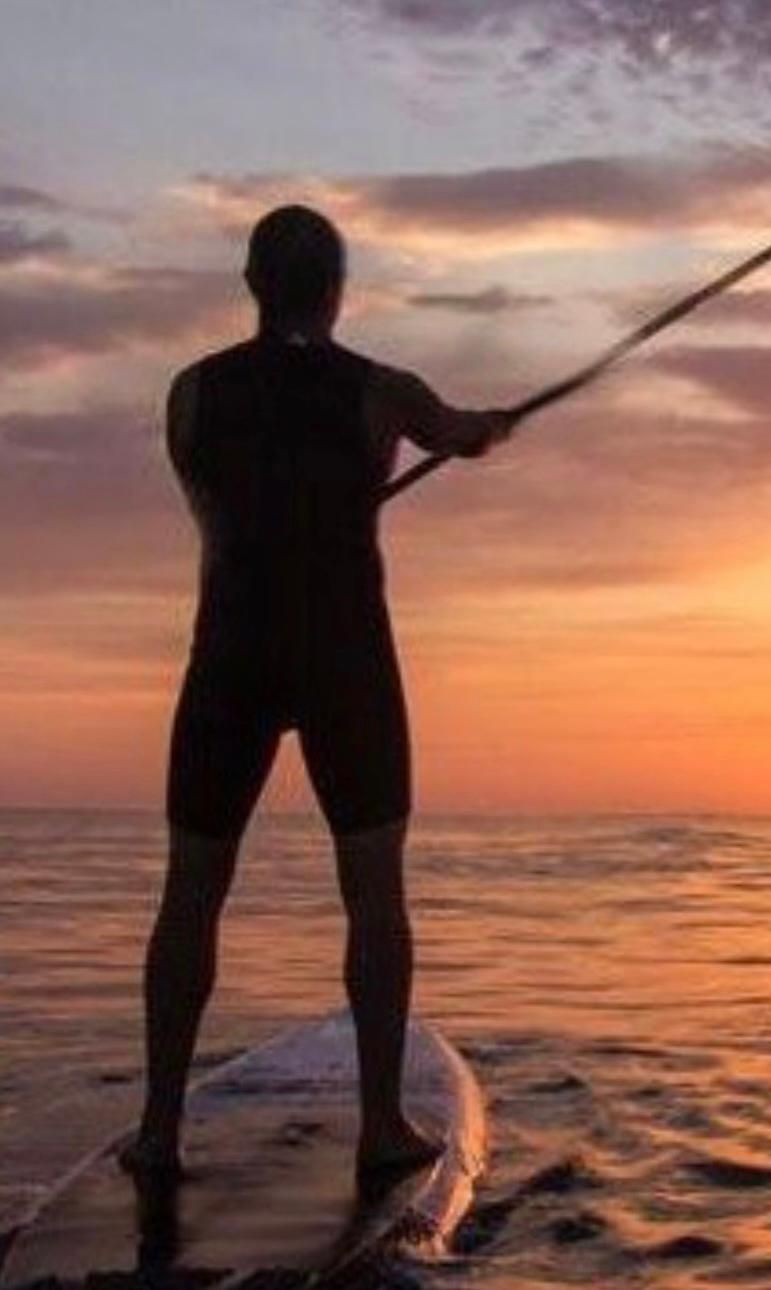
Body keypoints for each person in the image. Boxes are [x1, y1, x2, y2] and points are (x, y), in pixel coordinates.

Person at [122, 205, 522, 1178]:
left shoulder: (190, 394)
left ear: (252, 286)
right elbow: (462, 434)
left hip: (231, 657)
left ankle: (159, 1133)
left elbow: (214, 501)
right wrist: (489, 428)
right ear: (336, 292)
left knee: (190, 895)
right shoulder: (384, 393)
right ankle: (381, 1126)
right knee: (374, 894)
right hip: (344, 661)